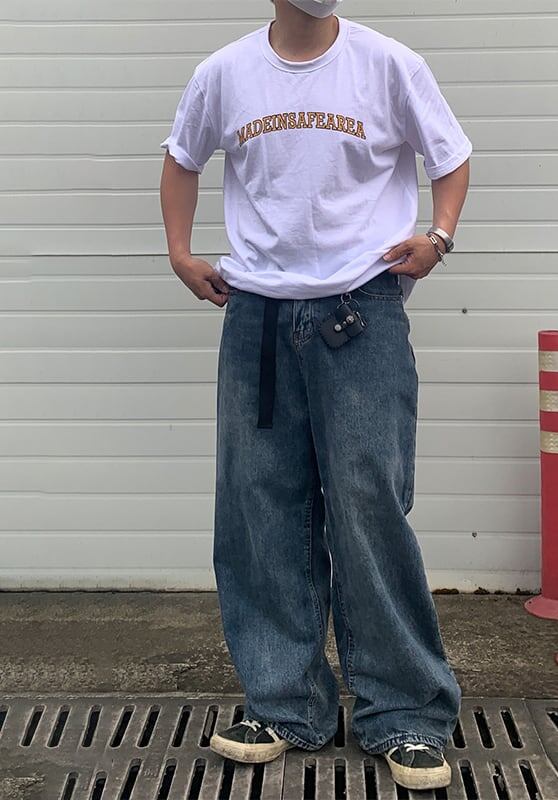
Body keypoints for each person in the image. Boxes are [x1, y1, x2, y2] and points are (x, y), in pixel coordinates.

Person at [159, 0, 471, 790]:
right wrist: (179, 253)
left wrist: (438, 236)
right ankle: (283, 704)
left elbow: (451, 155)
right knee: (260, 508)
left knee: (369, 507)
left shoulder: (388, 65)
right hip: (258, 320)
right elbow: (181, 156)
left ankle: (405, 715)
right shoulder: (225, 73)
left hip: (361, 311)